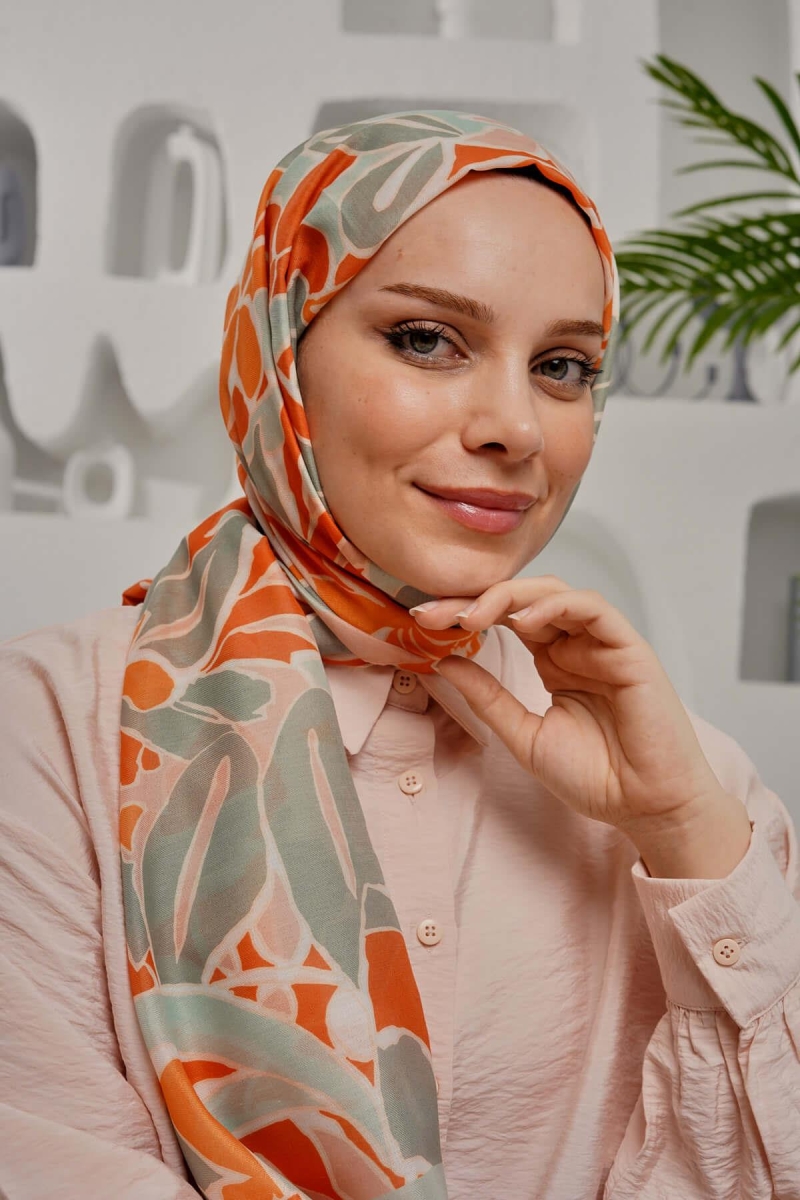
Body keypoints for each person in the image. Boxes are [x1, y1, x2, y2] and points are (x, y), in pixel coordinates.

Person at [1, 110, 799, 1200]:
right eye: (426, 340)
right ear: (279, 355)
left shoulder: (694, 794)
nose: (516, 426)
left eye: (563, 367)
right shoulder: (49, 728)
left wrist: (680, 828)